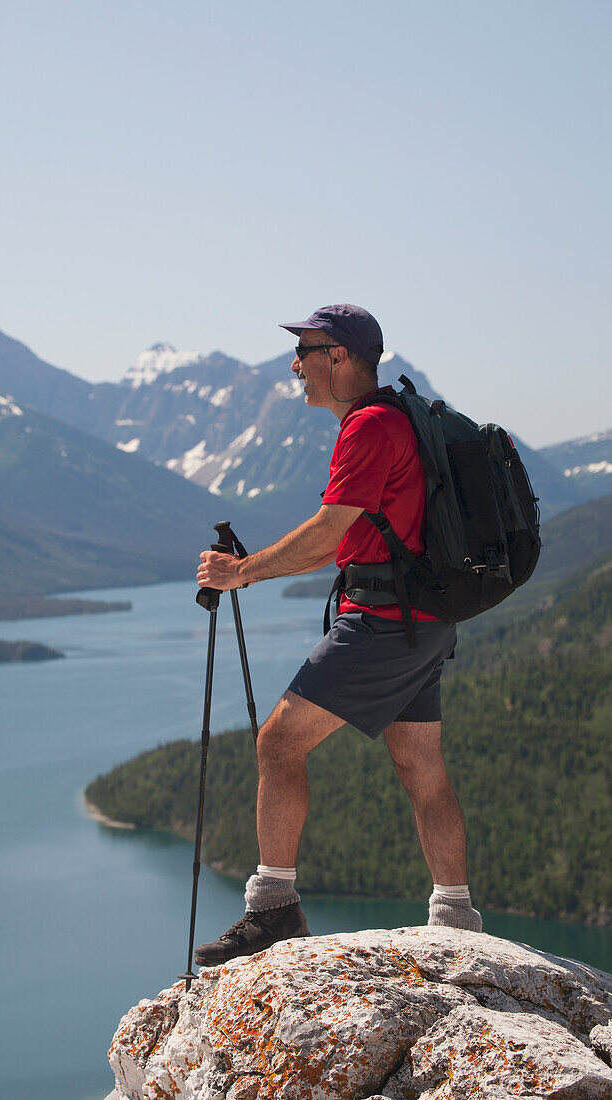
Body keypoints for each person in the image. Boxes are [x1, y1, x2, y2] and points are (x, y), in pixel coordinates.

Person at [194, 304, 481, 967]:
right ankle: (456, 916)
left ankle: (272, 908)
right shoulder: (400, 419)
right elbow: (345, 537)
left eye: (306, 351)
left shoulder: (369, 428)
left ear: (341, 357)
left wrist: (241, 572)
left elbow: (326, 534)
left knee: (277, 743)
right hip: (425, 620)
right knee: (422, 771)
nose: (294, 365)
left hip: (381, 623)